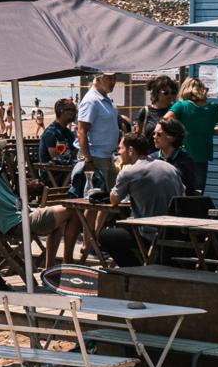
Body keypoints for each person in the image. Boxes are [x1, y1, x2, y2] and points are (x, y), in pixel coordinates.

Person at [0, 126, 79, 267]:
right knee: (72, 210)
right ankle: (66, 261)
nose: (0, 153)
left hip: (22, 216)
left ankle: (50, 268)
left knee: (64, 217)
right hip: (16, 223)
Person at [97, 132, 186, 267]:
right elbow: (183, 195)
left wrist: (121, 171)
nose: (119, 152)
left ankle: (134, 269)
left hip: (150, 234)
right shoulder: (170, 167)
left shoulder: (129, 172)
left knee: (105, 236)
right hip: (176, 231)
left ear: (131, 150)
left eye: (120, 148)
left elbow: (114, 200)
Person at [168, 76, 218, 192]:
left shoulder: (181, 106)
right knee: (197, 193)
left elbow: (164, 122)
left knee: (178, 192)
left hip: (181, 155)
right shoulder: (213, 107)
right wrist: (209, 131)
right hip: (202, 157)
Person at [76, 72, 123, 194]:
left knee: (113, 198)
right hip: (96, 158)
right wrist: (88, 160)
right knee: (99, 200)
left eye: (114, 78)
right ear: (98, 78)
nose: (113, 81)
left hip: (108, 157)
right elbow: (81, 132)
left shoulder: (104, 98)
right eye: (109, 78)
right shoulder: (91, 100)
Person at [153, 117, 200, 195]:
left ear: (172, 138)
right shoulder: (151, 159)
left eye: (159, 134)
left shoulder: (186, 161)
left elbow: (189, 190)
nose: (154, 137)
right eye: (154, 133)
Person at [38, 99, 78, 166]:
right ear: (61, 111)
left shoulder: (68, 132)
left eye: (75, 110)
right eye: (72, 110)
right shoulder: (51, 132)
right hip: (53, 173)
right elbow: (56, 159)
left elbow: (75, 154)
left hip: (68, 170)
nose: (75, 112)